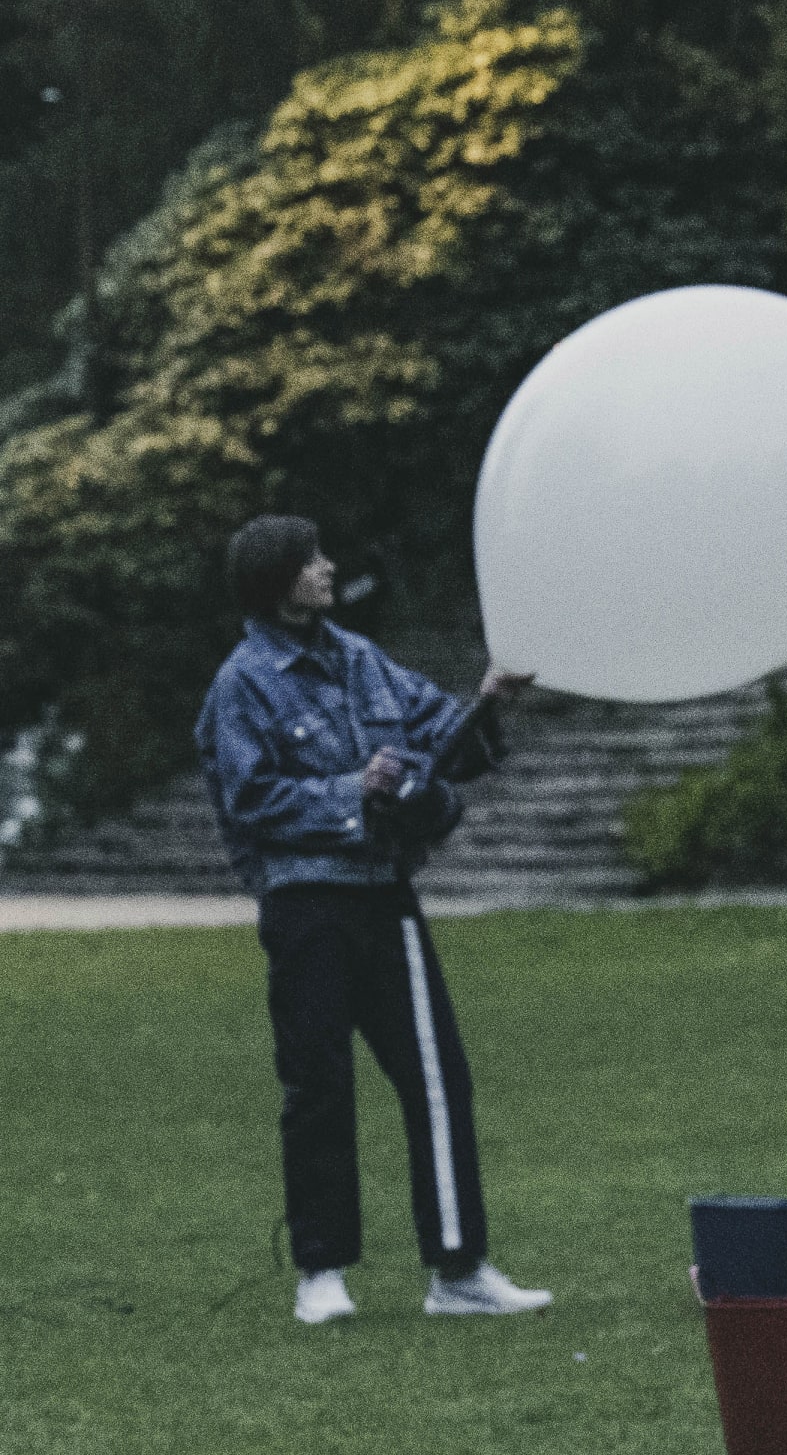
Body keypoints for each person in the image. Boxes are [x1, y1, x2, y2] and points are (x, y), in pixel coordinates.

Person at [196, 515, 552, 1326]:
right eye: (312, 560)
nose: (327, 568)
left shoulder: (363, 661)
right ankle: (321, 1273)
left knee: (436, 1078)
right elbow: (249, 800)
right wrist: (350, 790)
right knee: (319, 1086)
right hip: (304, 907)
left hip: (387, 901)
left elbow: (443, 740)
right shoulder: (242, 683)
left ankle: (458, 1271)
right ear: (280, 580)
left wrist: (490, 701)